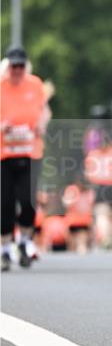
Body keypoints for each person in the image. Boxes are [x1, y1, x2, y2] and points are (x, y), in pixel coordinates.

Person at [1, 46, 51, 271]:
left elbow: (45, 110)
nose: (18, 70)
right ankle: (4, 248)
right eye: (14, 66)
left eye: (21, 66)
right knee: (5, 204)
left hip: (30, 151)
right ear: (7, 66)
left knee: (28, 201)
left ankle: (24, 242)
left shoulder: (35, 84)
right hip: (4, 154)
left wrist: (42, 123)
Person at [83, 133, 112, 248]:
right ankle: (109, 239)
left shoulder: (93, 155)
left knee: (101, 214)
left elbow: (88, 174)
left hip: (100, 186)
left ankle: (105, 237)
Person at [62, 178, 95, 254]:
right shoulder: (72, 190)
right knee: (73, 244)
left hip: (83, 221)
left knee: (80, 244)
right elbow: (67, 202)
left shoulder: (89, 192)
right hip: (73, 221)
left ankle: (79, 257)